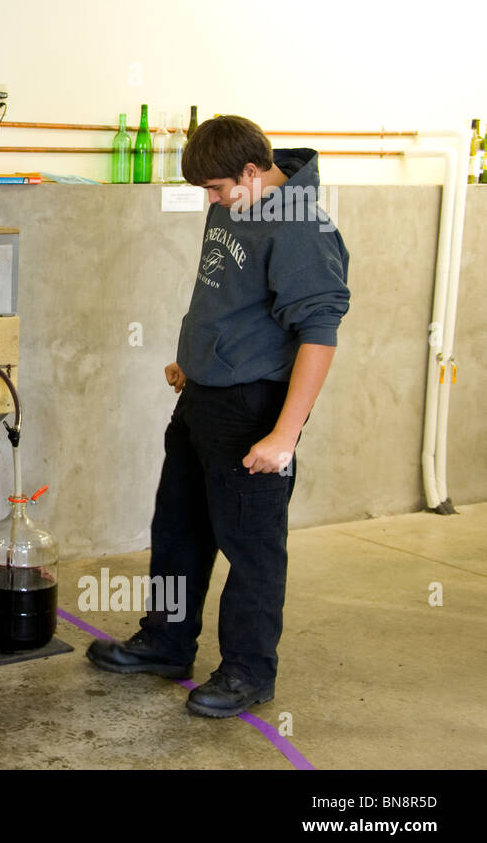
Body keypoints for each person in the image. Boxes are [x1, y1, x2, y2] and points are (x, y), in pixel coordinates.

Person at [86, 115, 350, 717]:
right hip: (203, 394)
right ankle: (167, 642)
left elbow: (320, 334)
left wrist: (283, 435)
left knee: (253, 546)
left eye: (216, 190)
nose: (211, 202)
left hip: (253, 406)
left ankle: (249, 673)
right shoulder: (237, 194)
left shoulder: (302, 228)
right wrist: (192, 360)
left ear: (252, 172)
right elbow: (222, 292)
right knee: (178, 527)